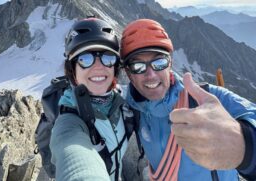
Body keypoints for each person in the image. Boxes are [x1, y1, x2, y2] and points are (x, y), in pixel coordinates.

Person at [120, 18, 256, 180]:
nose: (151, 75)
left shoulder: (208, 99)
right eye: (138, 67)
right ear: (129, 74)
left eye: (159, 62)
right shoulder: (132, 108)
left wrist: (243, 146)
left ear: (170, 63)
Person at [49, 18, 133, 181]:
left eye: (108, 57)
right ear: (72, 69)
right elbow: (74, 157)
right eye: (85, 59)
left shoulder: (121, 102)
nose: (98, 66)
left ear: (115, 67)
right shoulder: (69, 121)